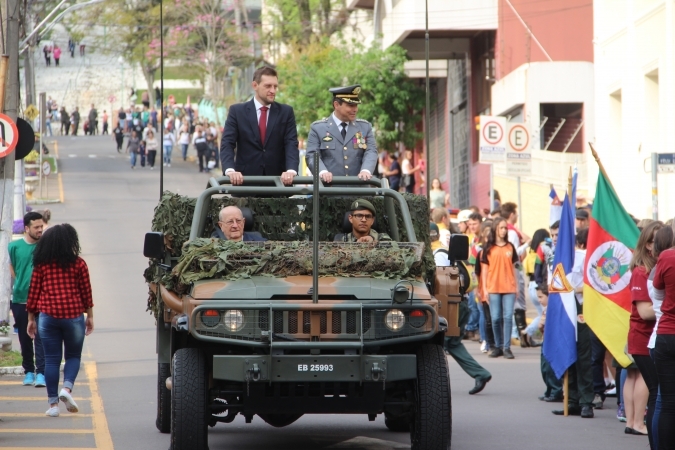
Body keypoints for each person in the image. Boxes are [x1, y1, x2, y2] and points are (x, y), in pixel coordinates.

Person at [26, 224, 94, 418]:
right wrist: (90, 317)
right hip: (73, 316)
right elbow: (86, 293)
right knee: (73, 356)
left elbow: (33, 294)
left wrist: (31, 319)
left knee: (51, 360)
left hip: (48, 317)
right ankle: (67, 389)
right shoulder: (79, 264)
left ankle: (53, 405)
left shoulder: (42, 265)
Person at [434, 231, 492, 395]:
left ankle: (431, 386)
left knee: (440, 344)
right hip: (461, 302)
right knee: (452, 344)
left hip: (453, 305)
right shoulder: (448, 253)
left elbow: (442, 283)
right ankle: (480, 374)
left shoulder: (439, 255)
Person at [220, 66, 299, 186]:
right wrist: (230, 170)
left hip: (278, 185)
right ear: (255, 86)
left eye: (275, 86)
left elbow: (291, 143)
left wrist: (291, 171)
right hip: (245, 184)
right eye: (268, 86)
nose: (273, 90)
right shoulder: (237, 111)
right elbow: (227, 143)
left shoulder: (286, 112)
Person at [551, 227, 594, 418]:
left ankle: (586, 402)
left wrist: (574, 289)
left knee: (583, 355)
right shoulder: (558, 258)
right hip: (565, 310)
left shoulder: (584, 256)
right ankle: (571, 400)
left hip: (581, 308)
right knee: (568, 352)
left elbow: (593, 283)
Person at [628, 221, 662, 442]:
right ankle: (642, 427)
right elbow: (644, 312)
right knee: (655, 391)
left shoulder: (660, 267)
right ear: (648, 245)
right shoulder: (641, 271)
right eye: (656, 241)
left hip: (653, 338)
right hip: (643, 338)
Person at [305, 84, 377, 184]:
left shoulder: (365, 127)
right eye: (350, 105)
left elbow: (371, 151)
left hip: (359, 192)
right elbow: (312, 155)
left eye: (356, 105)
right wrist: (322, 172)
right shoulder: (318, 128)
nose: (355, 109)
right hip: (330, 192)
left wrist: (366, 170)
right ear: (336, 105)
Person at [9, 212, 46, 387]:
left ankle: (42, 372)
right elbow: (11, 267)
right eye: (36, 227)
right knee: (25, 338)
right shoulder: (14, 247)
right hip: (20, 299)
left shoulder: (45, 246)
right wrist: (21, 283)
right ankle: (29, 371)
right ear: (26, 228)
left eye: (41, 227)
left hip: (42, 300)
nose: (40, 230)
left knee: (40, 336)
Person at [647, 226, 674, 448]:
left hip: (666, 334)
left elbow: (657, 293)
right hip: (665, 334)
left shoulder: (667, 257)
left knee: (666, 402)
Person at [479, 217, 519, 359]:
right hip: (493, 287)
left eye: (505, 228)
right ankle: (498, 346)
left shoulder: (510, 247)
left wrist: (517, 287)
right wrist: (484, 289)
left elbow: (514, 269)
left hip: (509, 287)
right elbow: (484, 271)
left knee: (508, 317)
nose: (503, 231)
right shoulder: (488, 248)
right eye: (501, 228)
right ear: (496, 229)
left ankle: (507, 348)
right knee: (495, 318)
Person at [535, 284, 563, 402]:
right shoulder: (545, 310)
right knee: (544, 368)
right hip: (545, 340)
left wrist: (541, 325)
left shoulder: (553, 309)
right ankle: (550, 389)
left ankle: (556, 390)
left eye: (541, 297)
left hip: (552, 341)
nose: (539, 300)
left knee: (550, 368)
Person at [473, 220, 495, 354]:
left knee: (497, 318)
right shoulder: (481, 253)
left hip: (498, 289)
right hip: (484, 290)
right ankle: (487, 340)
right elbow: (476, 272)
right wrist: (476, 290)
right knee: (487, 318)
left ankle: (497, 343)